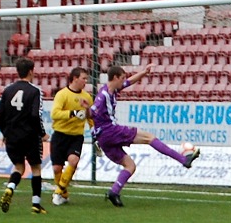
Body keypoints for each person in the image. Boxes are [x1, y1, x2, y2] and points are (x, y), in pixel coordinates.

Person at [80, 64, 200, 207]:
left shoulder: (113, 88)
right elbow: (92, 113)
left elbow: (129, 82)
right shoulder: (103, 95)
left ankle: (114, 192)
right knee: (149, 137)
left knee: (130, 166)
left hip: (104, 138)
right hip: (111, 131)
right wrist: (87, 109)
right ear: (115, 77)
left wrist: (144, 72)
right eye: (122, 78)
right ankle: (183, 159)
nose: (124, 81)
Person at [0, 57, 49, 214]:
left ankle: (10, 188)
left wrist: (5, 132)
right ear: (31, 71)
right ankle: (36, 205)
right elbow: (34, 116)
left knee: (19, 167)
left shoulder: (8, 90)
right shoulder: (35, 91)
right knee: (36, 168)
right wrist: (42, 134)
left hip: (12, 136)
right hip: (30, 136)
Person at [50, 67, 94, 205]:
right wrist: (73, 113)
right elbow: (54, 114)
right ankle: (64, 193)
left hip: (76, 136)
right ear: (75, 78)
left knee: (73, 161)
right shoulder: (62, 95)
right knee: (57, 168)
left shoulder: (87, 97)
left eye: (86, 79)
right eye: (83, 78)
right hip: (59, 135)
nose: (85, 81)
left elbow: (91, 117)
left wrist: (94, 132)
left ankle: (58, 192)